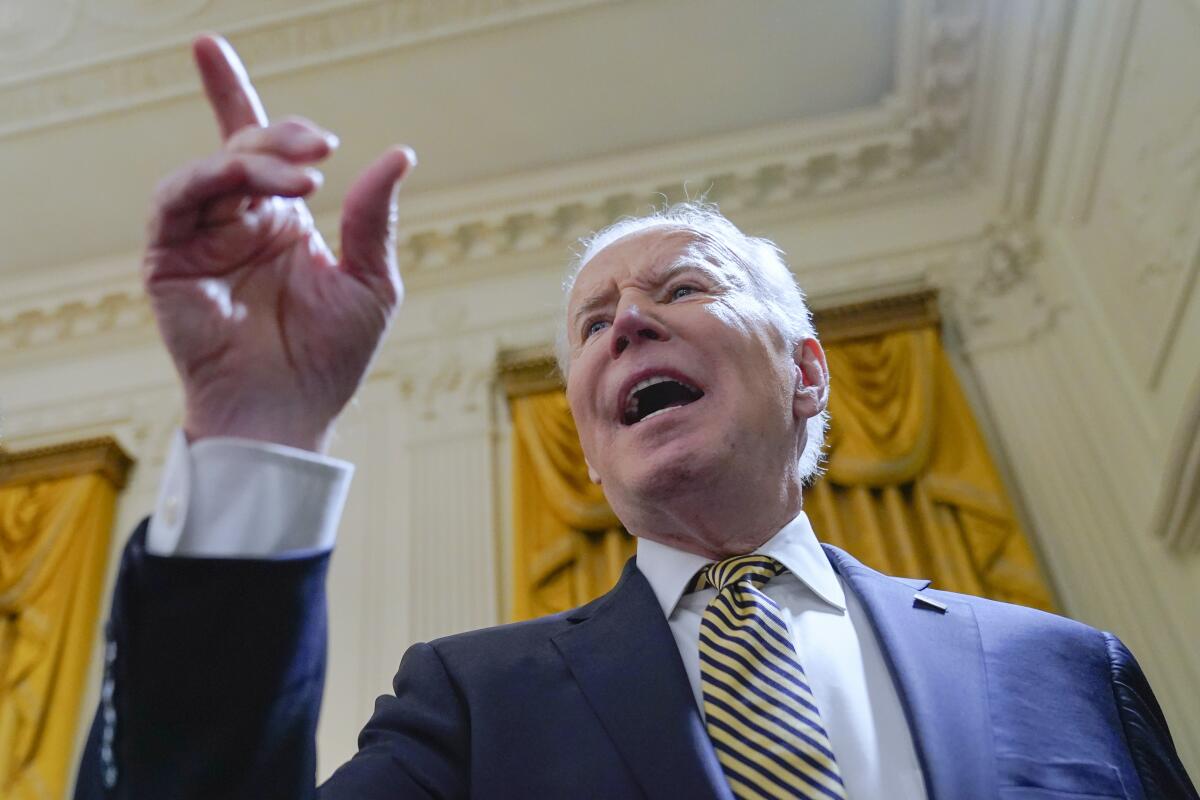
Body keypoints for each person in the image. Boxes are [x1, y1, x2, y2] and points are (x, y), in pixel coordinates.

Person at [75, 35, 1196, 800]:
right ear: (591, 451)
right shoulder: (468, 699)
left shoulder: (1069, 669)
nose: (626, 327)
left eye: (684, 288)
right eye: (593, 320)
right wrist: (258, 433)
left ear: (808, 372)